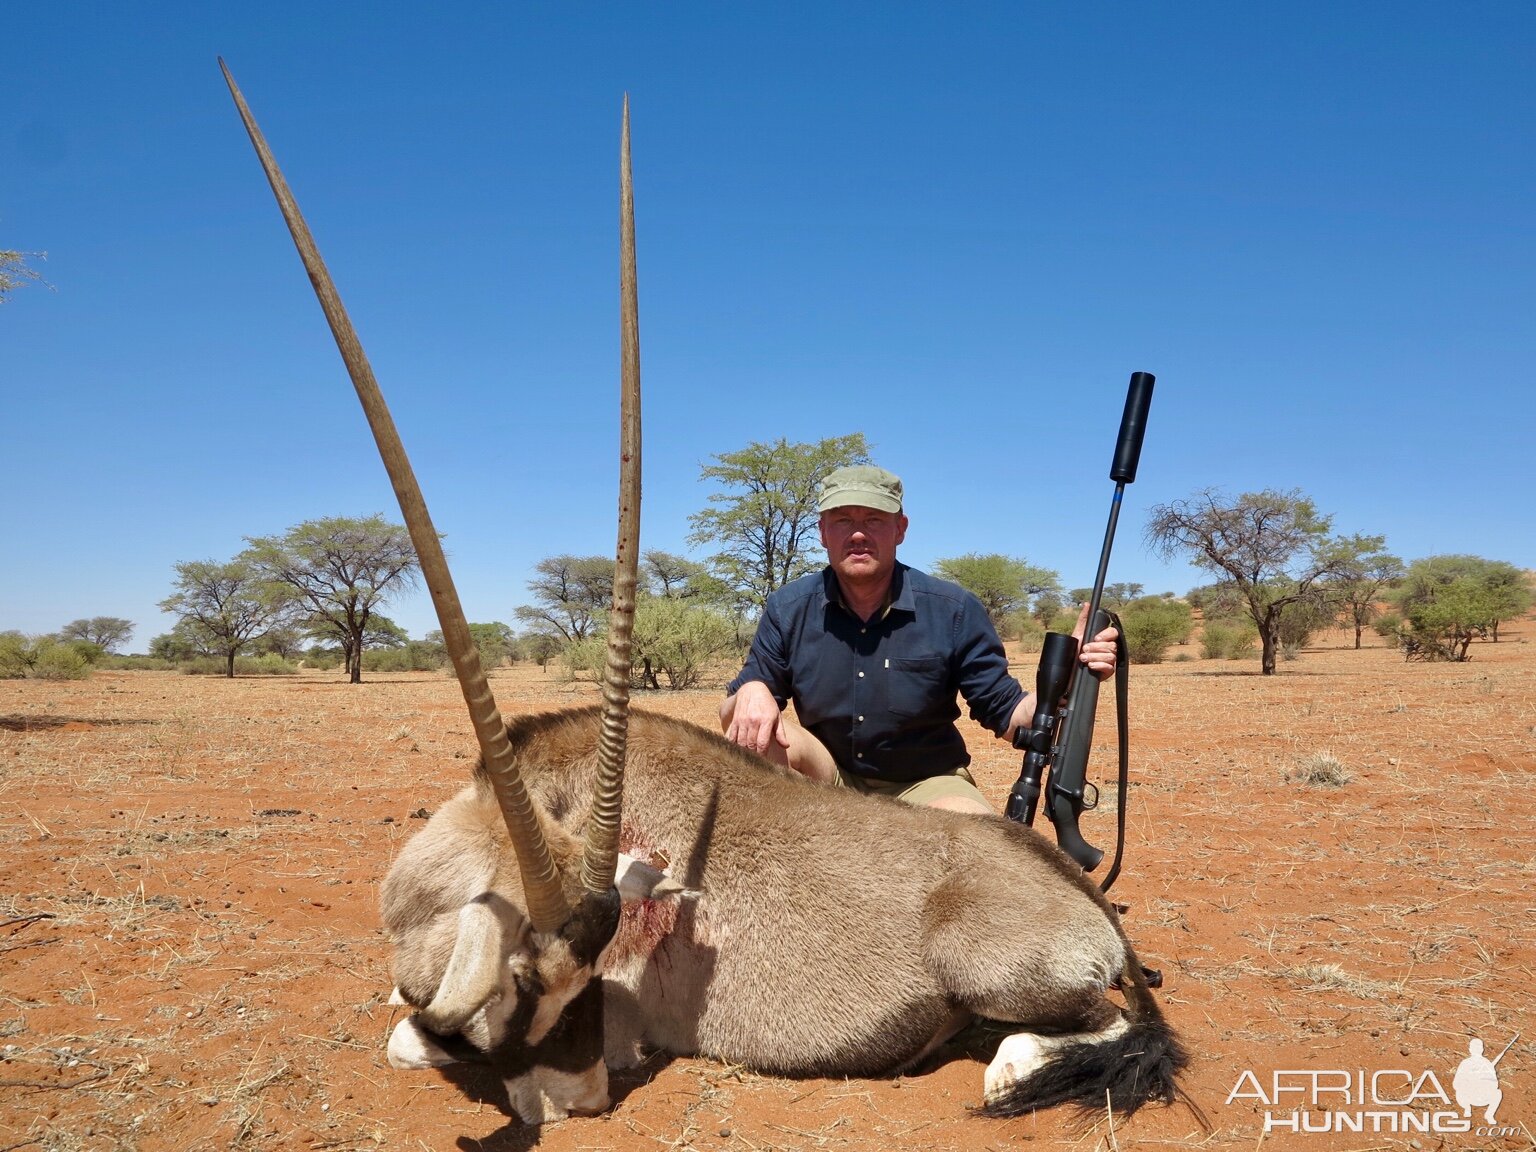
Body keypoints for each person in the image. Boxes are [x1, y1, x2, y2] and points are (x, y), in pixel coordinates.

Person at [719, 463, 1119, 815]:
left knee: (978, 844)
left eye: (874, 520)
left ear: (900, 529)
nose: (858, 534)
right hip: (829, 775)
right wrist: (753, 689)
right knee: (753, 724)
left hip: (927, 783)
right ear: (823, 533)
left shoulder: (953, 609)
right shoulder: (788, 607)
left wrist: (1069, 678)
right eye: (842, 520)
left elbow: (1009, 715)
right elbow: (733, 711)